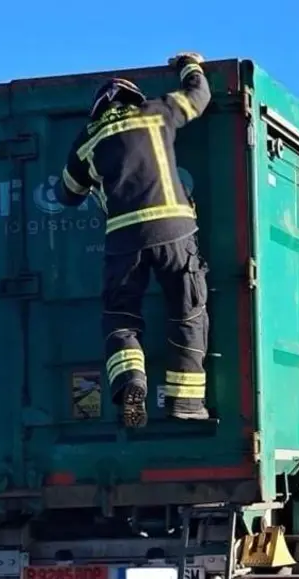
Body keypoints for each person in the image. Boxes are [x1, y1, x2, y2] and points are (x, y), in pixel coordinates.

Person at [56, 52, 213, 428]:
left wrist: (93, 175)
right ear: (133, 98)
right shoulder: (158, 112)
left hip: (124, 239)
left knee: (120, 318)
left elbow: (67, 194)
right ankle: (186, 403)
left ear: (99, 109)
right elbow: (200, 95)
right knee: (188, 313)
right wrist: (189, 64)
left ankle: (131, 382)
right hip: (175, 231)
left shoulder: (89, 138)